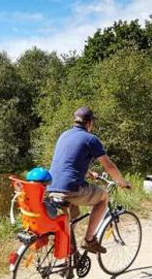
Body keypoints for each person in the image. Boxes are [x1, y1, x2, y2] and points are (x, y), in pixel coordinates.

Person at [47, 107, 131, 254]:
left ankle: (67, 255)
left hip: (52, 187)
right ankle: (89, 240)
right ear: (90, 123)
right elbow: (108, 166)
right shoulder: (90, 139)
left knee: (72, 217)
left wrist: (87, 173)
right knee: (103, 197)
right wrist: (122, 182)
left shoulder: (64, 135)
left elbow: (68, 162)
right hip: (71, 188)